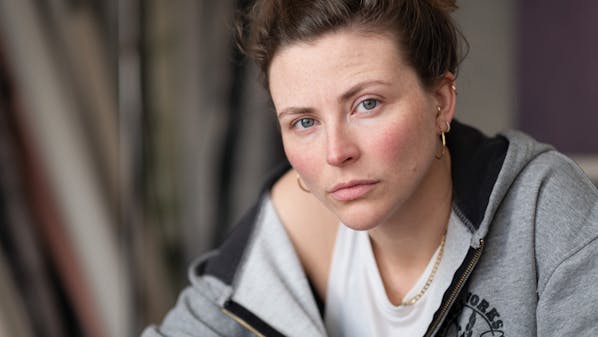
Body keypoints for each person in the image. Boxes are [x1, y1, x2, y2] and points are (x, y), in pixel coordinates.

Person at [142, 0, 598, 336]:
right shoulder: (290, 226)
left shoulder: (546, 215)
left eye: (366, 104)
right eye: (304, 122)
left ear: (440, 101)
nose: (336, 152)